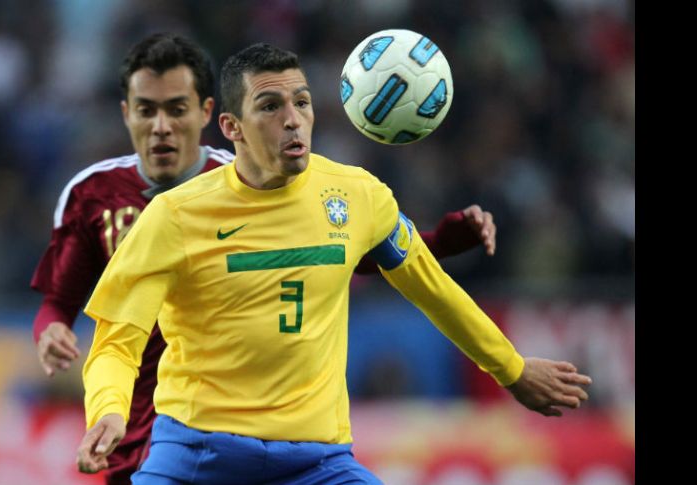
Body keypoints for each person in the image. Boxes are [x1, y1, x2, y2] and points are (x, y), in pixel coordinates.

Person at [75, 42, 591, 485]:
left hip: (317, 462)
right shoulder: (174, 217)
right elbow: (118, 339)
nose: (293, 118)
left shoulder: (357, 196)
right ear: (231, 126)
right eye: (270, 106)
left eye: (301, 101)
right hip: (200, 456)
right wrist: (108, 411)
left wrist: (511, 369)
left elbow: (433, 289)